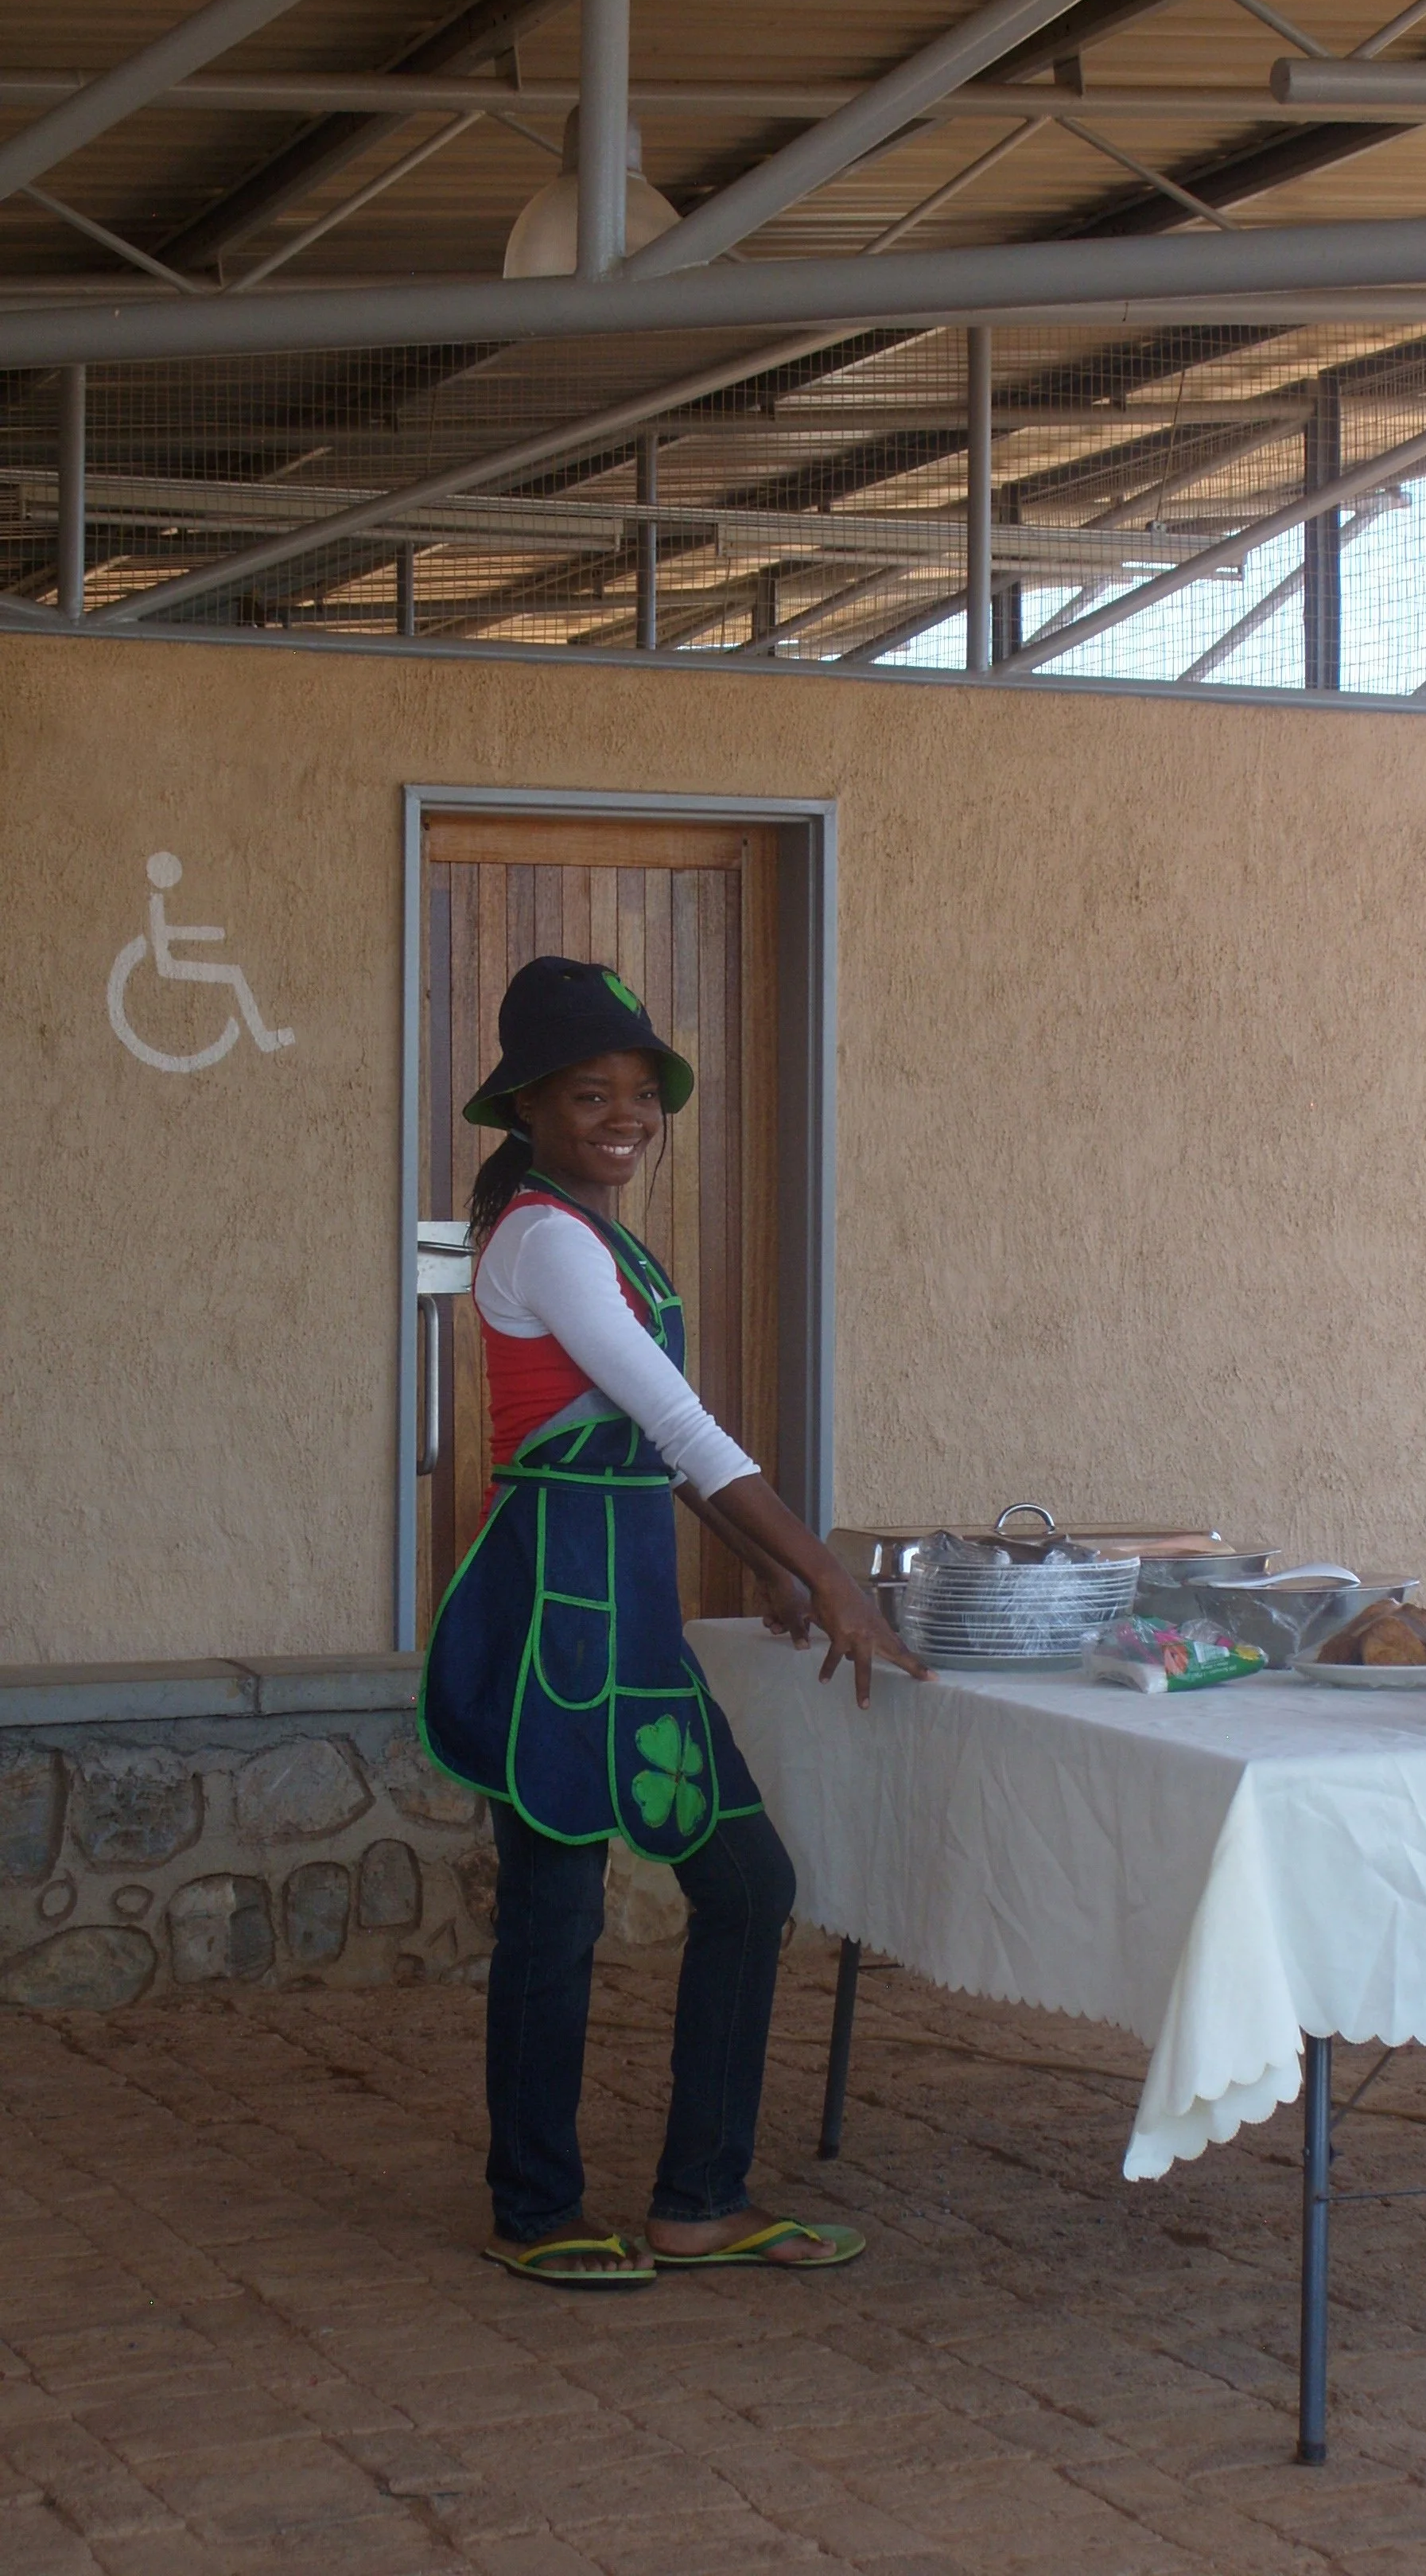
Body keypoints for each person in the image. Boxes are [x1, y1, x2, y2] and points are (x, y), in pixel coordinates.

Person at [419, 955, 926, 2288]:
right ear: (528, 1109)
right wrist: (822, 1573)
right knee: (553, 1908)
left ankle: (701, 2198)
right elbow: (675, 1425)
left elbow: (652, 1445)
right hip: (552, 1618)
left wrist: (754, 1562)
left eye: (641, 1092)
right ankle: (533, 2206)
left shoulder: (604, 1240)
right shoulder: (541, 1238)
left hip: (629, 1618)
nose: (624, 1116)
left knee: (746, 1883)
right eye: (591, 1093)